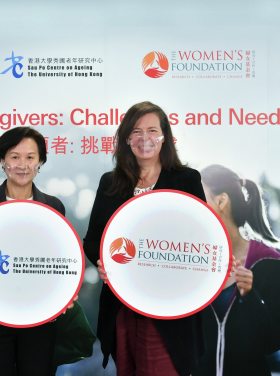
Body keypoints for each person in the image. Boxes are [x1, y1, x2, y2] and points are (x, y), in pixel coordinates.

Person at [84, 101, 206, 376]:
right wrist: (102, 261)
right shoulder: (110, 182)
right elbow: (92, 240)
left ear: (165, 137)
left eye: (152, 130)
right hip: (122, 302)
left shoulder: (187, 180)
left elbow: (202, 241)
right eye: (137, 131)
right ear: (127, 139)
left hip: (170, 305)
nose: (145, 139)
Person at [0, 126, 79, 376]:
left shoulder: (54, 206)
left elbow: (62, 258)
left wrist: (66, 291)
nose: (22, 165)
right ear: (2, 160)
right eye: (14, 157)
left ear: (41, 161)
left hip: (40, 315)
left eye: (30, 157)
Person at [193, 165, 280, 376]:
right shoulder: (191, 260)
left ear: (221, 201)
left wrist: (250, 297)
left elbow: (277, 341)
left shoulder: (269, 262)